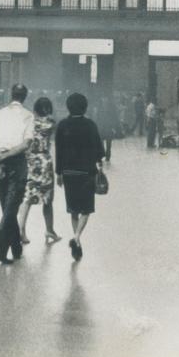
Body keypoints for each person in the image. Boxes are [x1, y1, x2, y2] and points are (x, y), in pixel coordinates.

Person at [0, 82, 34, 263]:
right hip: (17, 164)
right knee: (10, 208)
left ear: (10, 95)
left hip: (0, 163)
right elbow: (26, 144)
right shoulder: (28, 116)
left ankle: (15, 247)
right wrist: (8, 155)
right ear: (25, 97)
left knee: (7, 208)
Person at [54, 92, 105, 261]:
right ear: (85, 107)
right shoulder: (90, 125)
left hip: (69, 173)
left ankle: (77, 241)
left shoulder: (62, 125)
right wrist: (99, 163)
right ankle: (76, 238)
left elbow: (58, 151)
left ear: (68, 106)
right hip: (86, 173)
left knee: (73, 210)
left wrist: (58, 173)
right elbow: (99, 150)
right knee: (86, 209)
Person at [17, 96, 61, 246]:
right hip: (44, 162)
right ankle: (49, 230)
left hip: (29, 162)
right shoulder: (50, 124)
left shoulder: (27, 122)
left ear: (35, 109)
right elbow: (54, 121)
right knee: (47, 199)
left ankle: (21, 231)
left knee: (27, 197)